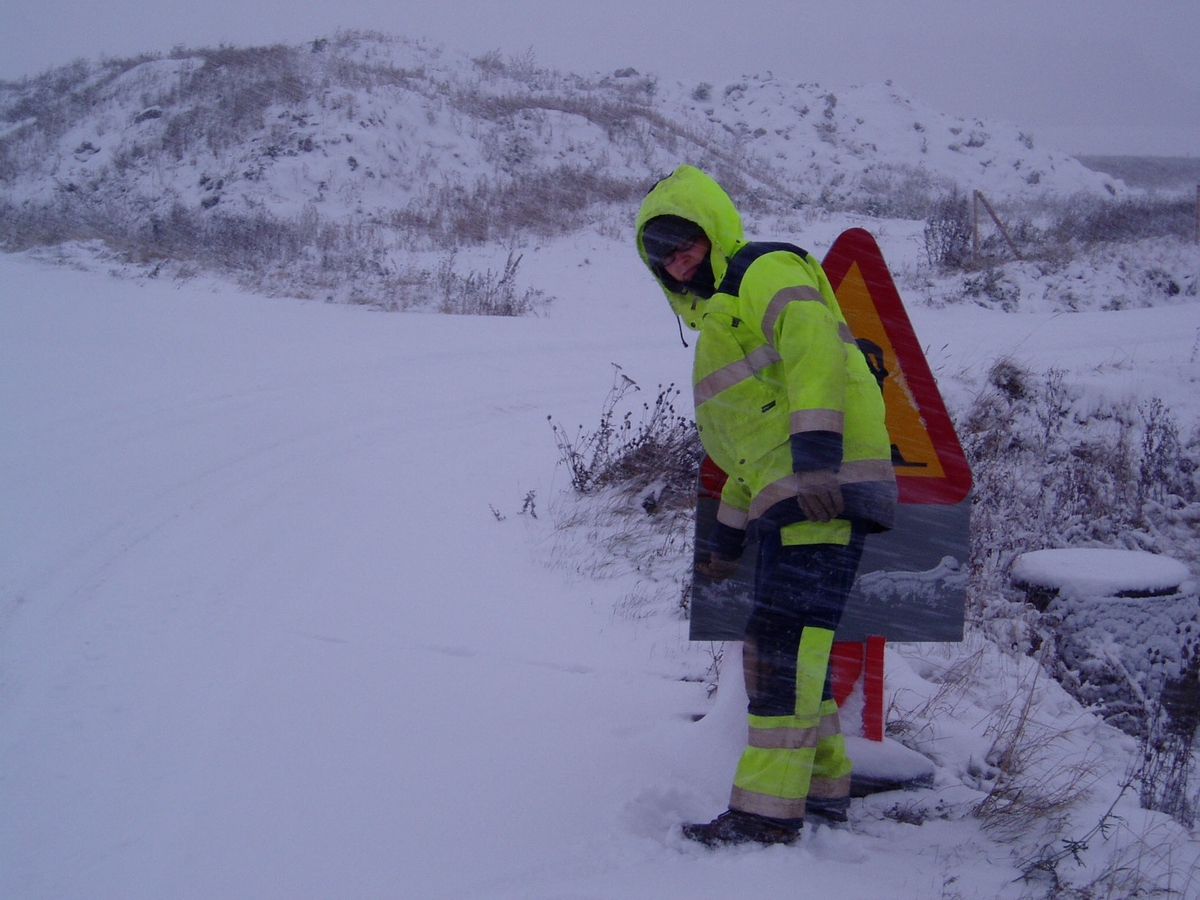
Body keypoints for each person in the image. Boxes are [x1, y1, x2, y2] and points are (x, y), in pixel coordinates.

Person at [635, 165, 897, 847]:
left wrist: (815, 455)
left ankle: (764, 817)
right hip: (795, 490)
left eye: (684, 241)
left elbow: (815, 347)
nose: (676, 258)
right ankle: (823, 788)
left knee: (782, 648)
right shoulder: (721, 323)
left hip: (824, 486)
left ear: (712, 231)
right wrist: (725, 542)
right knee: (792, 647)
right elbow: (747, 462)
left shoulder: (760, 269)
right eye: (661, 252)